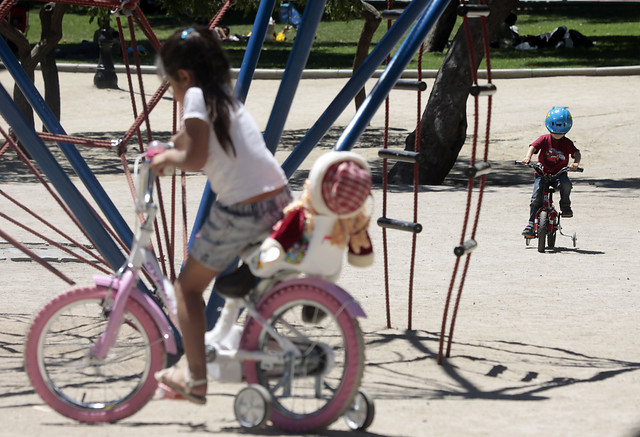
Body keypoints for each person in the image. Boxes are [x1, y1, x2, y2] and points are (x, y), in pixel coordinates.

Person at [150, 26, 292, 404]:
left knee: (188, 287)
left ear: (183, 76)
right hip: (278, 197)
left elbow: (194, 158)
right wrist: (166, 147)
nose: (175, 92)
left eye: (171, 84)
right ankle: (262, 346)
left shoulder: (194, 95)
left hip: (244, 209)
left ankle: (195, 378)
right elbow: (190, 139)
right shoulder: (221, 98)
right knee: (242, 284)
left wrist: (165, 160)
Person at [521, 107, 581, 237]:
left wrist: (576, 163)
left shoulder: (566, 142)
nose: (558, 134)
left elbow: (576, 153)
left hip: (559, 175)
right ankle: (531, 224)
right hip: (542, 174)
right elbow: (533, 146)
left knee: (566, 185)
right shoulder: (544, 139)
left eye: (561, 132)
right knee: (535, 198)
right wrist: (528, 157)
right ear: (548, 127)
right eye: (555, 131)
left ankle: (565, 206)